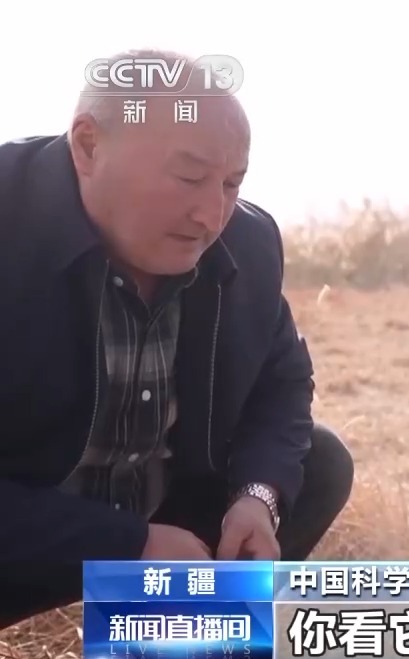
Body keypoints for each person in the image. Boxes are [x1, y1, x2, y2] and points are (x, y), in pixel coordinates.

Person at [0, 50, 354, 627]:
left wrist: (258, 496)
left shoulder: (248, 243)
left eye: (232, 183)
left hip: (165, 520)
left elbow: (282, 383)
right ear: (88, 146)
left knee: (318, 461)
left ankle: (172, 637)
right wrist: (124, 542)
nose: (211, 215)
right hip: (25, 523)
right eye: (189, 177)